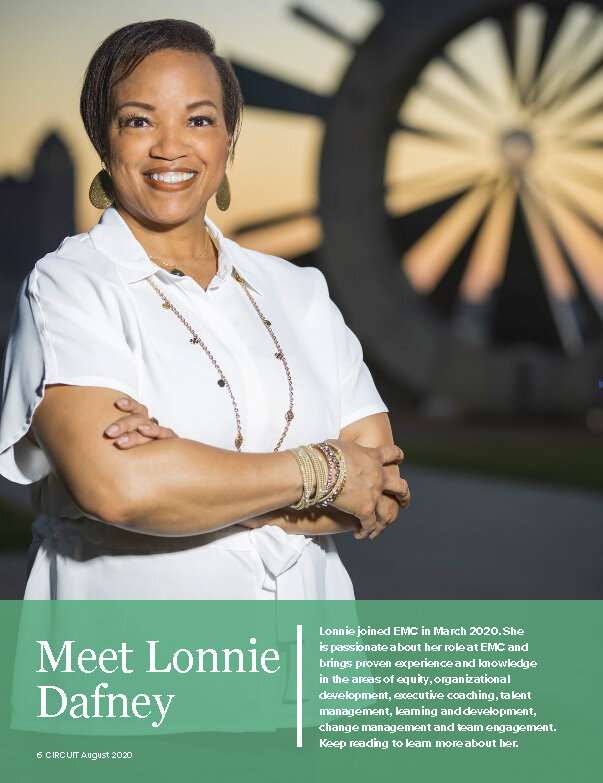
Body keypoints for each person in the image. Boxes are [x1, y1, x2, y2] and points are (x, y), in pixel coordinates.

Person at [0, 19, 409, 600]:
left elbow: (378, 489)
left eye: (199, 119)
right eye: (138, 120)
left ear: (228, 138)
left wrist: (186, 480)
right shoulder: (69, 287)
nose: (171, 146)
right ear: (104, 138)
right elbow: (118, 488)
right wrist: (323, 471)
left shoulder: (299, 293)